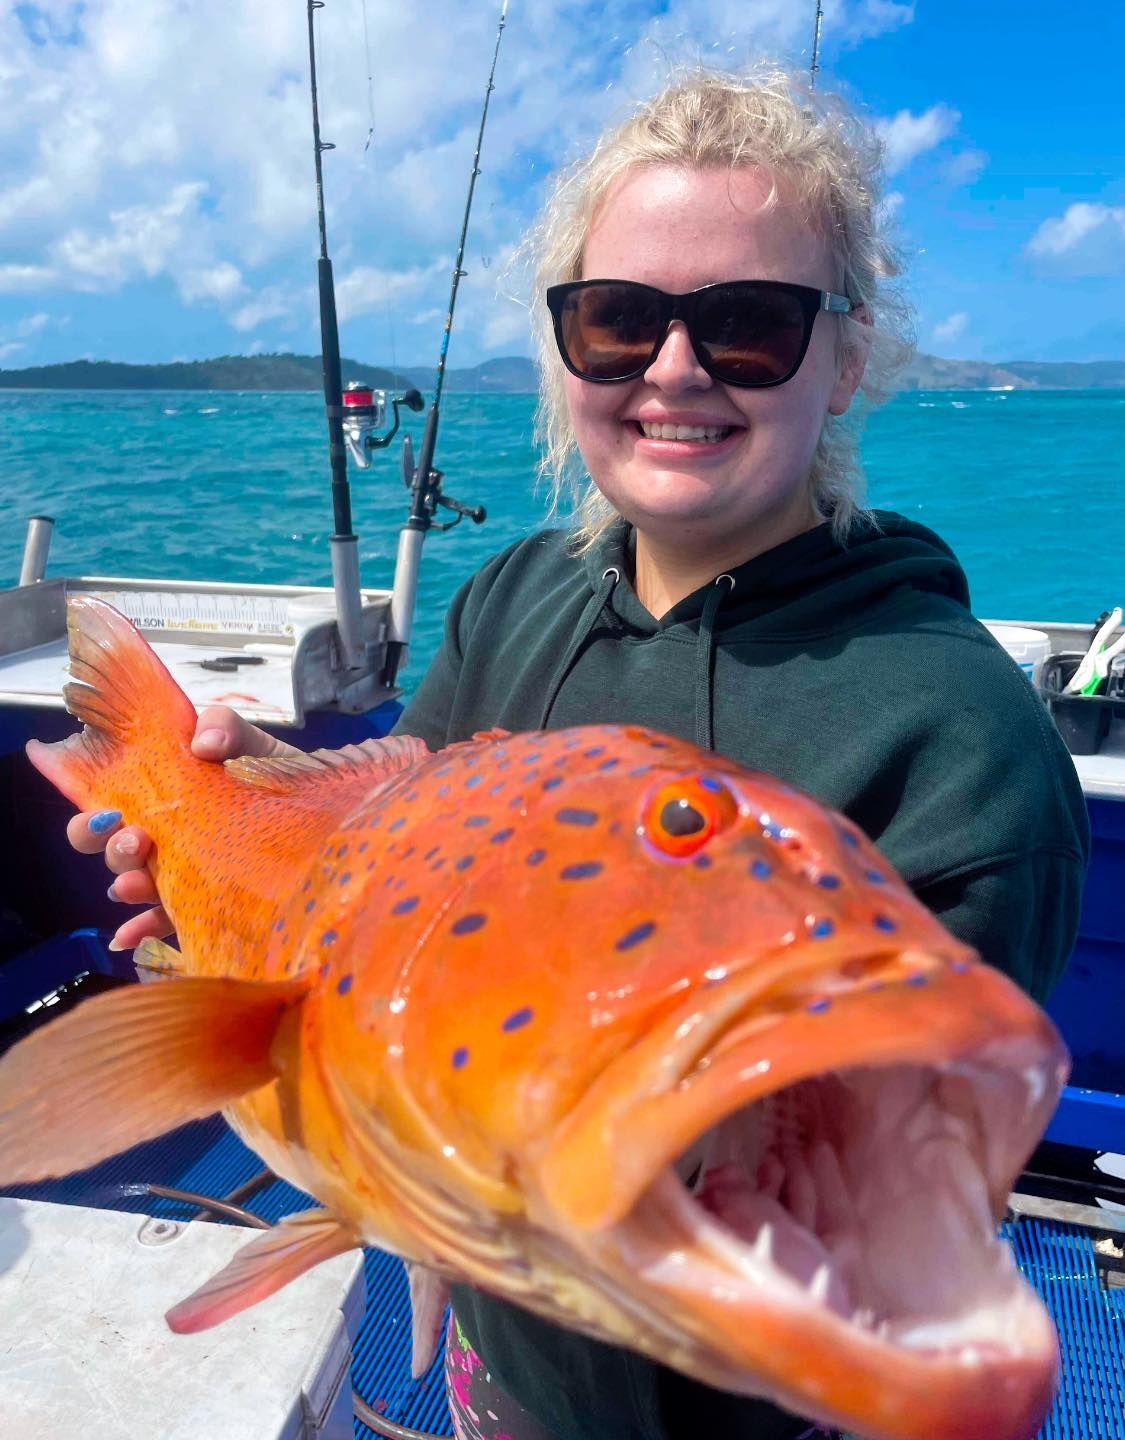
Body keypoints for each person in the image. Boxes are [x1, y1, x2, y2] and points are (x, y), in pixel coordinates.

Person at [69, 64, 1088, 1440]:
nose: (673, 369)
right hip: (498, 1361)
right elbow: (395, 857)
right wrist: (239, 803)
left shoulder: (958, 734)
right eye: (616, 321)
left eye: (748, 325)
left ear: (846, 357)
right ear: (566, 352)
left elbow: (889, 1201)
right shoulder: (516, 590)